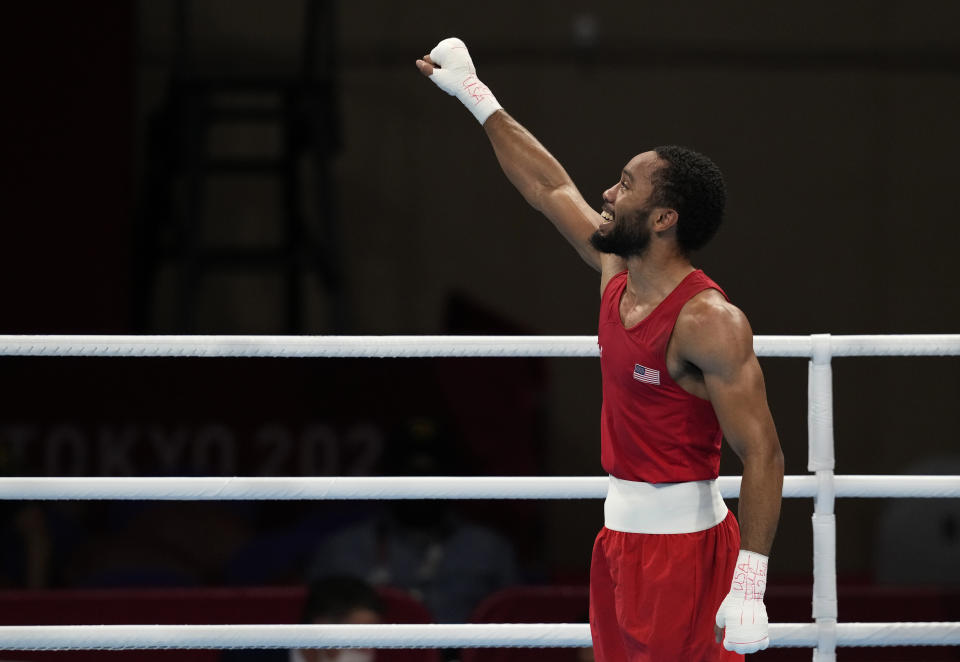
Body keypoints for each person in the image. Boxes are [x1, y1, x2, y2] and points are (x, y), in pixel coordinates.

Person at [415, 38, 784, 661]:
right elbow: (547, 186)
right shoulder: (616, 271)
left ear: (664, 218)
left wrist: (750, 584)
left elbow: (764, 453)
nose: (608, 195)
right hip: (617, 541)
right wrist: (476, 96)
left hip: (686, 553)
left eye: (625, 184)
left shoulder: (708, 321)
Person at [222, 575, 383, 662]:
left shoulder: (359, 657)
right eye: (362, 630)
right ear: (323, 623)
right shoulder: (249, 656)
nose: (371, 640)